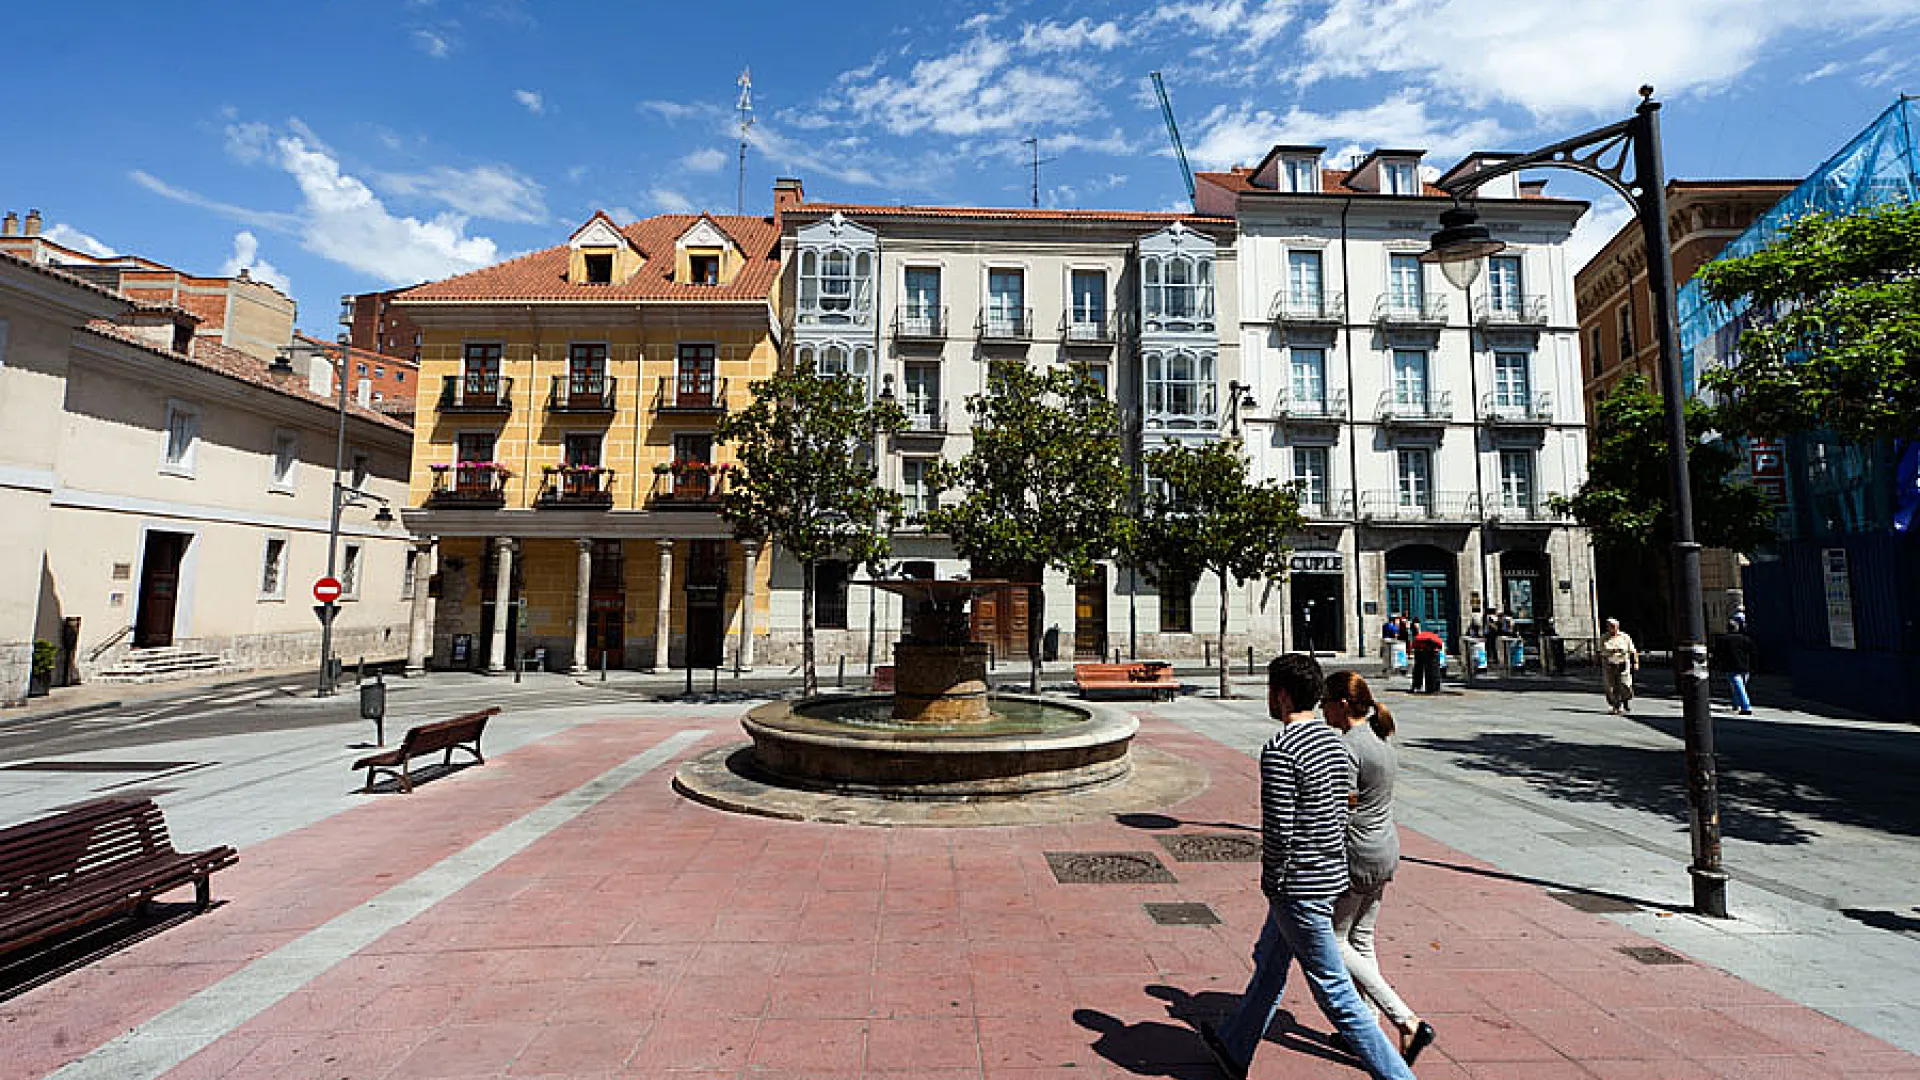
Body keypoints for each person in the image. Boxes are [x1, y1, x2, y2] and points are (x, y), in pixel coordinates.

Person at [1199, 655, 1418, 1080]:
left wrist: (1271, 880)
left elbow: (1279, 828)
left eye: (1269, 689)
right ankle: (1234, 1049)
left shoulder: (1280, 749)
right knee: (1270, 964)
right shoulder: (1336, 742)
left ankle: (1398, 1076)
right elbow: (1339, 815)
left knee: (1335, 992)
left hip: (1296, 885)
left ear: (1280, 694)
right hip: (1330, 875)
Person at [1324, 671, 1437, 1065]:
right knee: (1362, 940)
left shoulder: (1346, 747)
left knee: (1335, 942)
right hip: (1386, 849)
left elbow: (1339, 809)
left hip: (1358, 854)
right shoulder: (1381, 742)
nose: (1321, 709)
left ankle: (1405, 1019)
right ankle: (1365, 1025)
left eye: (1325, 702)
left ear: (1341, 704)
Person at [1711, 619, 1756, 715]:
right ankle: (1736, 704)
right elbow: (1753, 653)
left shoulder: (1723, 640)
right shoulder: (1745, 639)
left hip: (1731, 666)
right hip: (1745, 667)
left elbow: (1718, 654)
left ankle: (1746, 706)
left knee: (1738, 686)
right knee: (1740, 686)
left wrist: (1715, 664)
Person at [1600, 618, 1638, 714]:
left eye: (1613, 626)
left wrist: (1636, 662)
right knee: (1611, 686)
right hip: (1609, 664)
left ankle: (1625, 700)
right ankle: (1615, 705)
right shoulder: (1604, 637)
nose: (1612, 628)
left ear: (1617, 627)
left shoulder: (1625, 637)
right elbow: (1600, 651)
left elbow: (1633, 650)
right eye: (1610, 626)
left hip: (1623, 663)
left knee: (1625, 684)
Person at [1409, 623, 1444, 695]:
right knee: (1432, 670)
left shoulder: (1421, 637)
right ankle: (1432, 688)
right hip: (1423, 650)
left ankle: (1417, 686)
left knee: (1419, 669)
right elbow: (1440, 647)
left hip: (1419, 650)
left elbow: (1414, 645)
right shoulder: (1435, 638)